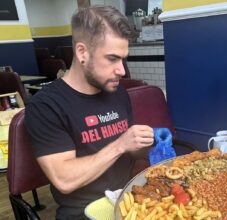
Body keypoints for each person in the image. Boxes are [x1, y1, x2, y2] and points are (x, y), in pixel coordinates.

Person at [25, 5, 154, 219]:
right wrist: (121, 144)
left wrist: (142, 145)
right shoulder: (46, 106)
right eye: (112, 59)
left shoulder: (119, 94)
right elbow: (64, 180)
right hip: (83, 213)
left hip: (129, 202)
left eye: (123, 59)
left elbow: (129, 153)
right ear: (82, 52)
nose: (122, 70)